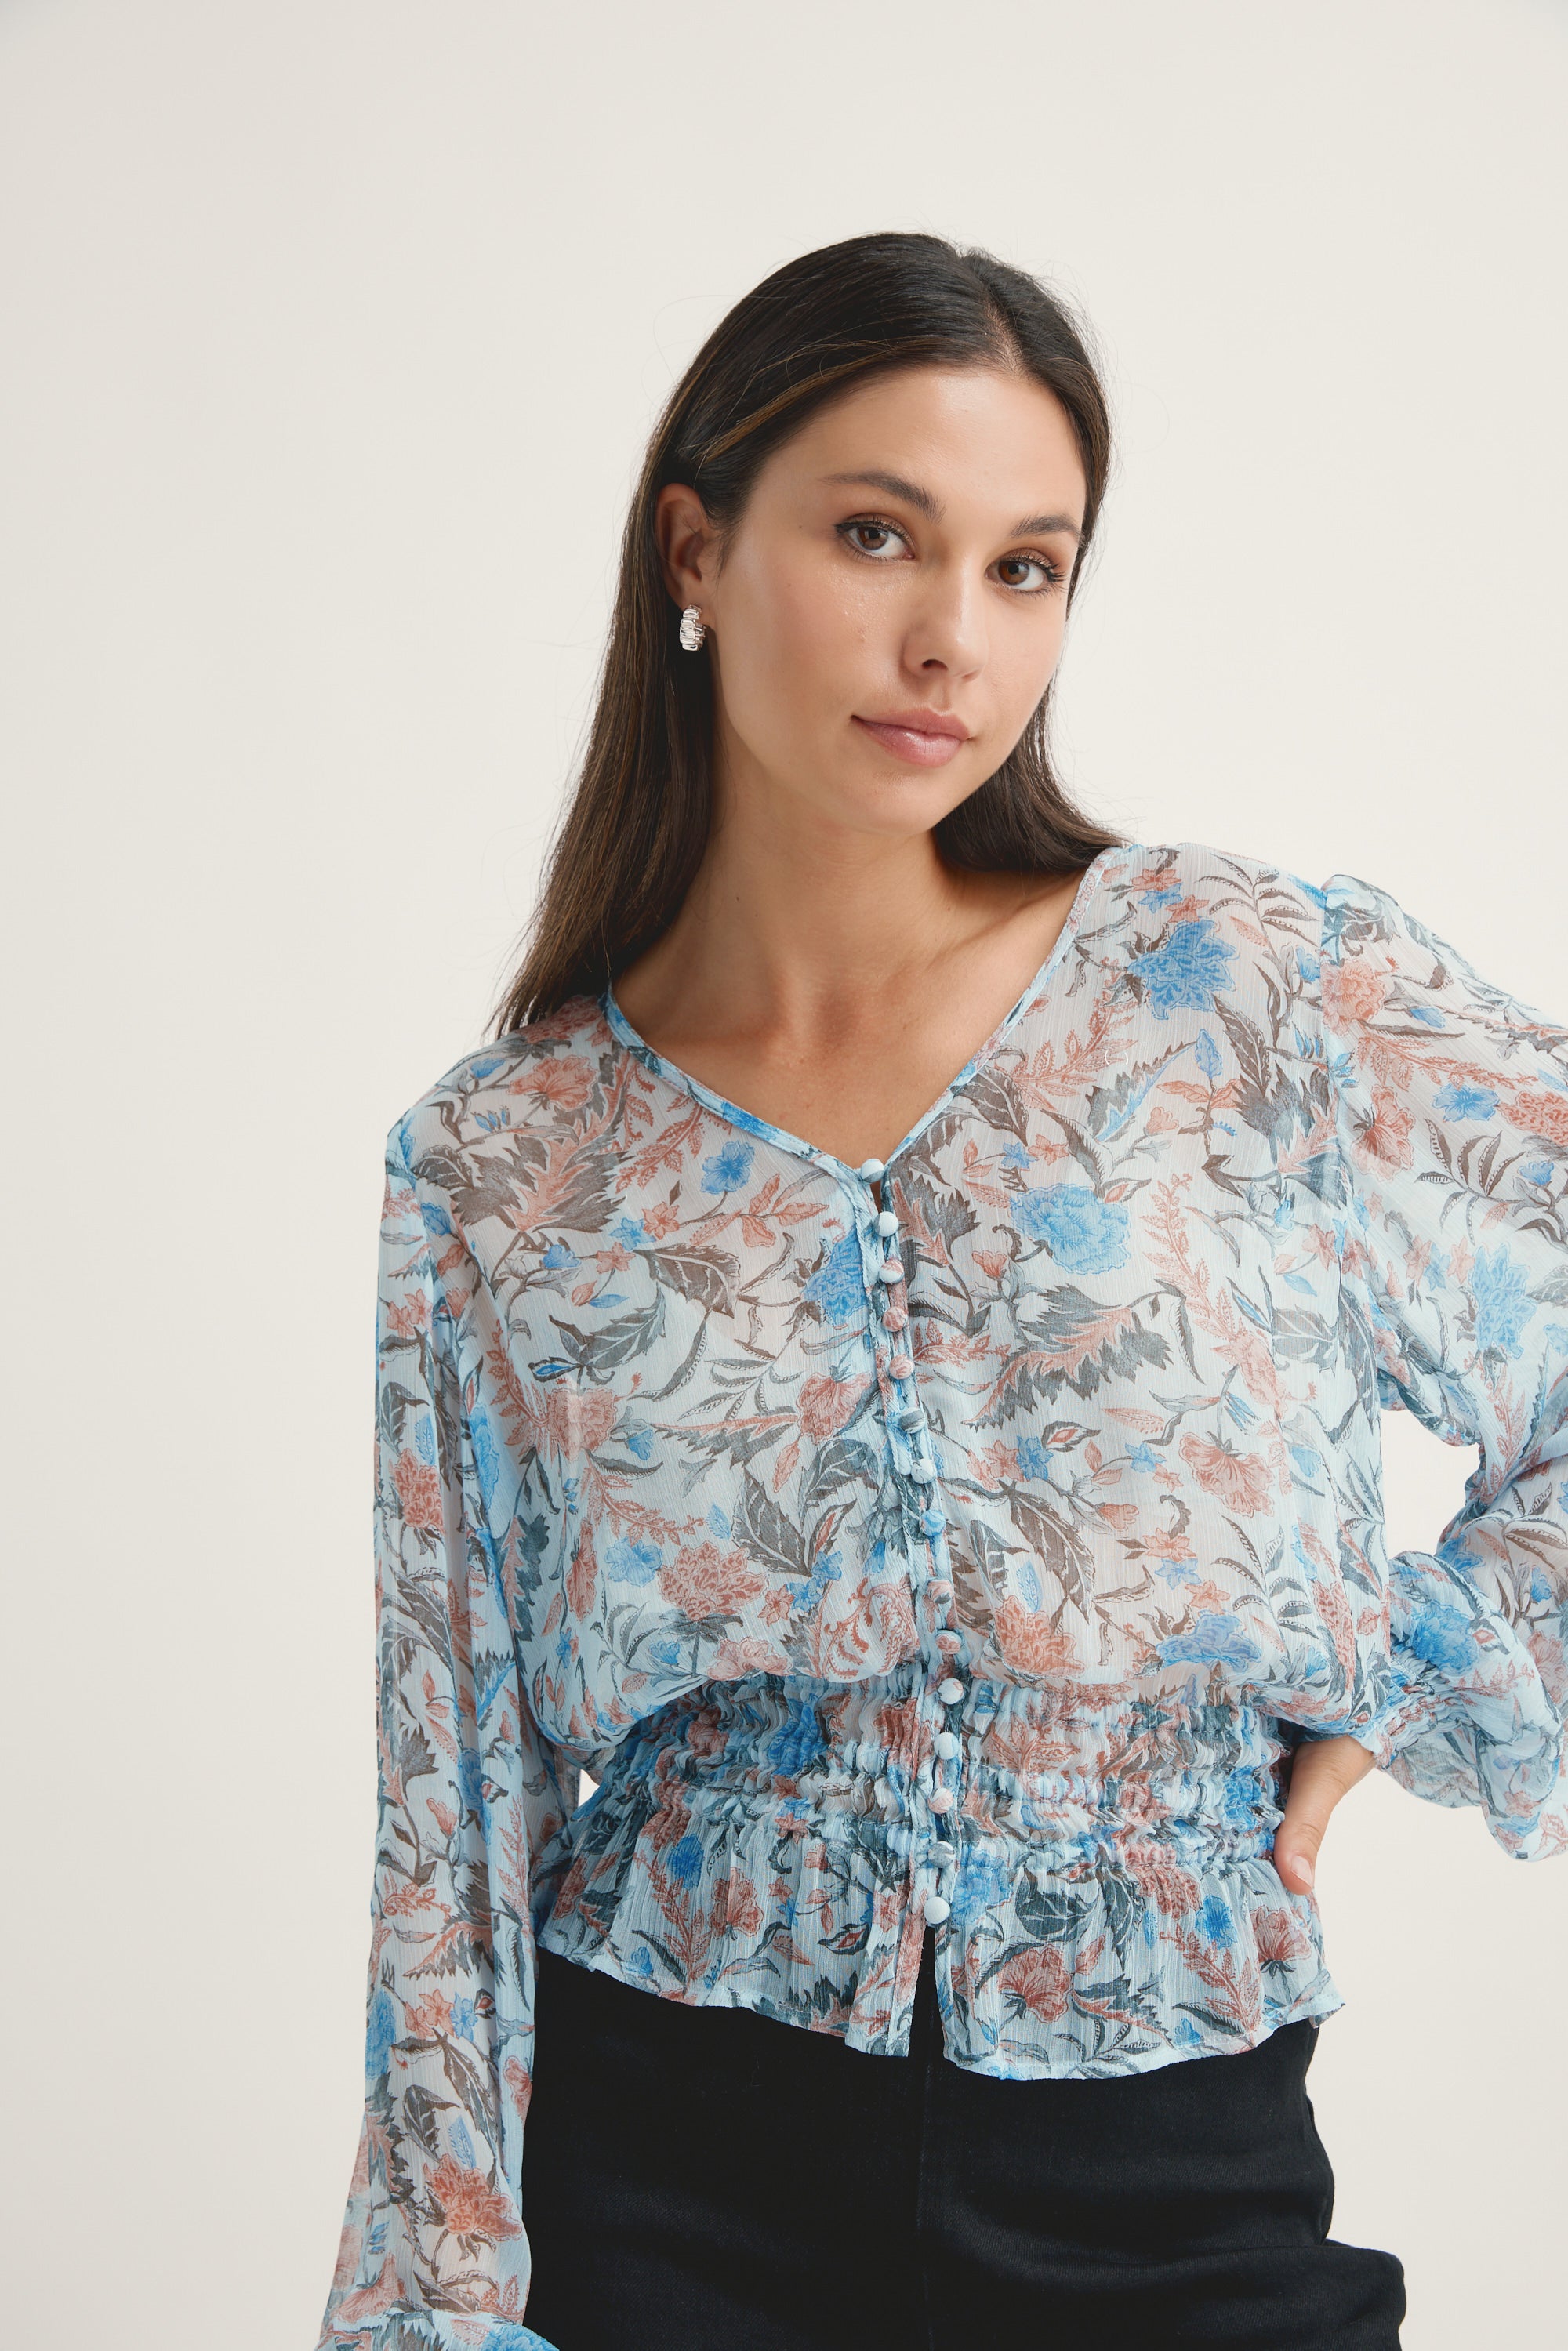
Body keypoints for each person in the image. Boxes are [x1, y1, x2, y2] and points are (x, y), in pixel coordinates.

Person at [314, 233, 1568, 2351]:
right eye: (879, 533)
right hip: (660, 2188)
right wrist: (441, 2309)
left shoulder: (1239, 994)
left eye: (1024, 567)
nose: (947, 639)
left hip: (1176, 2182)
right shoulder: (505, 1170)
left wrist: (1414, 1666)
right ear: (695, 550)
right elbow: (452, 1819)